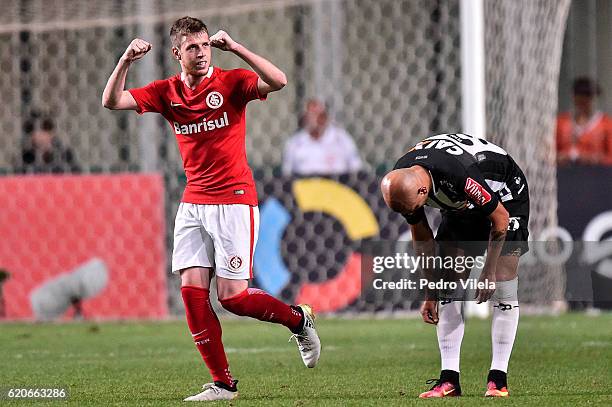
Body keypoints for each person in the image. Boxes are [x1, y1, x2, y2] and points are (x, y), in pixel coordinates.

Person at [102, 16, 320, 401]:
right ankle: (223, 383)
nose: (200, 53)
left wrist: (234, 47)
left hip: (234, 200)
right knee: (191, 293)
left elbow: (280, 80)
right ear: (177, 53)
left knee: (233, 297)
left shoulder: (232, 82)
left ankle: (298, 320)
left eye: (204, 45)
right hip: (193, 203)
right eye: (192, 48)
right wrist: (126, 61)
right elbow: (112, 101)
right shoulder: (165, 92)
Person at [381, 133, 529, 398]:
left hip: (504, 194)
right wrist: (430, 292)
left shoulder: (460, 175)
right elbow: (423, 239)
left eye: (411, 207)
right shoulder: (404, 183)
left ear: (423, 192)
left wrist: (489, 271)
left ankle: (498, 379)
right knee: (448, 283)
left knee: (505, 283)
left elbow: (500, 220)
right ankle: (448, 381)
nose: (409, 212)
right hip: (460, 204)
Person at [282, 99, 362, 175]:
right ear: (305, 117)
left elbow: (356, 168)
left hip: (336, 185)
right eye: (312, 115)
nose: (316, 120)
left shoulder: (341, 139)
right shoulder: (295, 143)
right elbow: (287, 174)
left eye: (320, 116)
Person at [556, 77, 612, 166]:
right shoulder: (561, 122)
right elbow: (550, 152)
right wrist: (560, 157)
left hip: (597, 174)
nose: (583, 104)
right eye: (579, 100)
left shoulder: (606, 124)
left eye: (587, 100)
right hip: (565, 173)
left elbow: (610, 157)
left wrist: (594, 159)